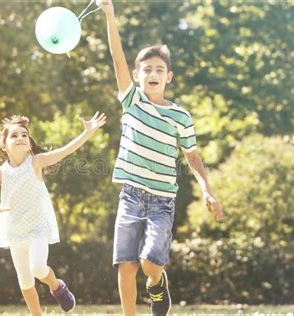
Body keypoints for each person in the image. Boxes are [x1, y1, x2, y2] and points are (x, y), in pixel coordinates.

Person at [96, 1, 224, 315]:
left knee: (149, 262)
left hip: (162, 201)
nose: (152, 73)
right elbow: (117, 56)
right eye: (147, 69)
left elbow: (192, 156)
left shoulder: (180, 116)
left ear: (169, 77)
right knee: (125, 266)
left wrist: (207, 189)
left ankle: (157, 284)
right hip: (130, 196)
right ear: (138, 76)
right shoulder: (131, 100)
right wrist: (110, 16)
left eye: (159, 69)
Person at [0, 113, 106, 315]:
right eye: (14, 136)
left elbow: (65, 151)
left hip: (37, 229)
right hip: (14, 233)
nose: (21, 138)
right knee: (25, 281)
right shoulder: (0, 173)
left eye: (24, 135)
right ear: (3, 145)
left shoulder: (36, 162)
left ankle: (57, 286)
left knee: (38, 268)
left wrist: (87, 132)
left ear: (30, 143)